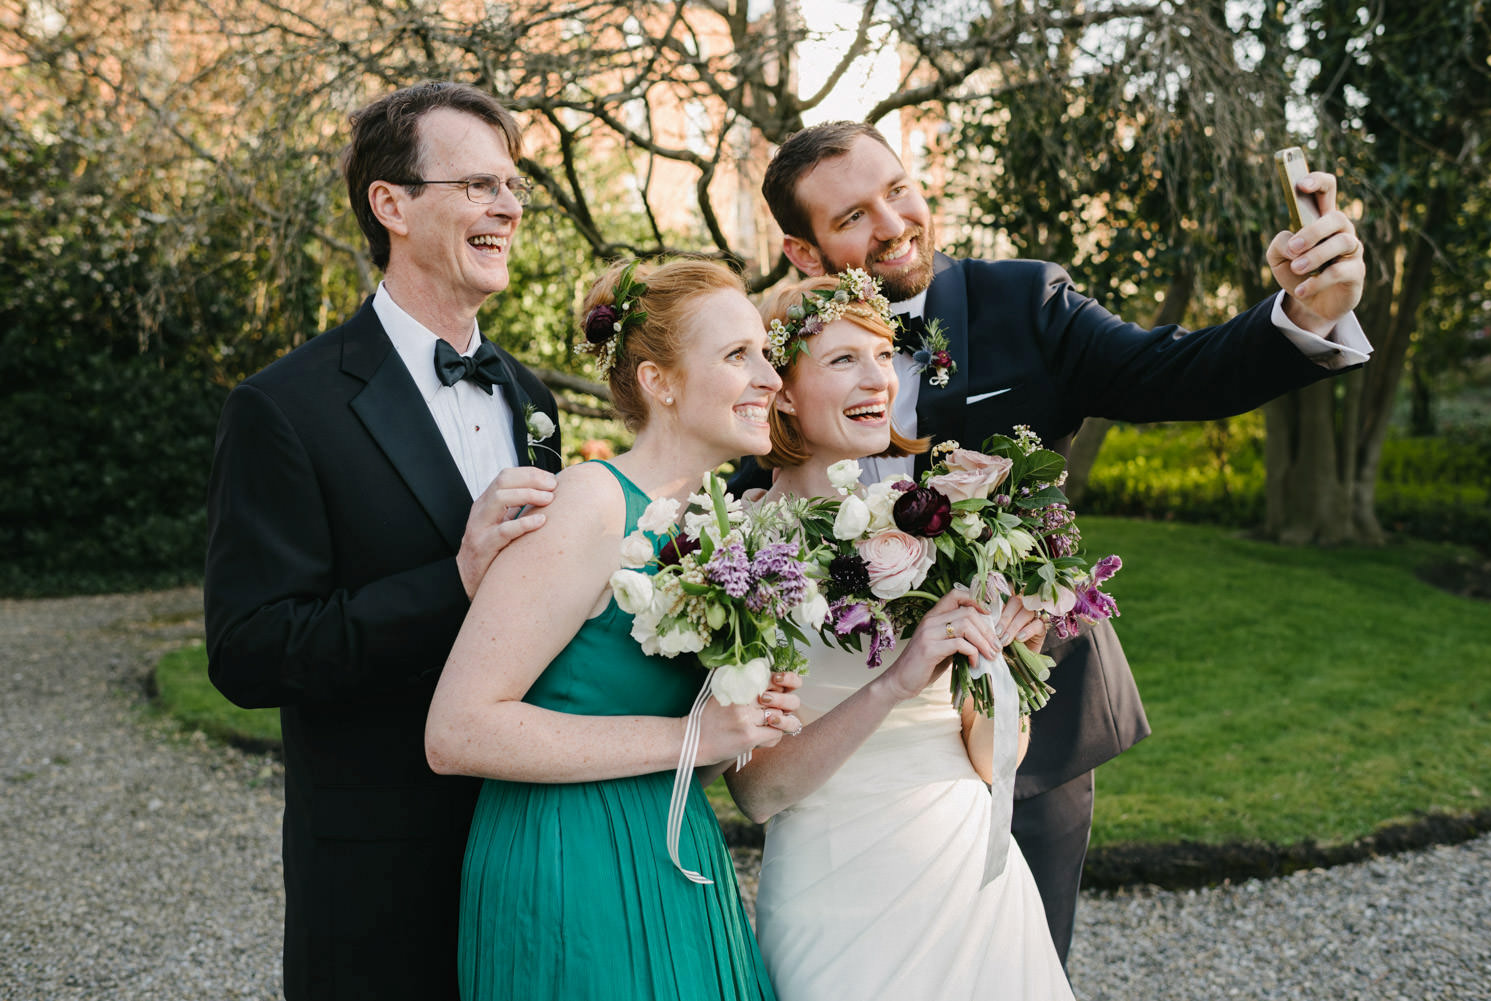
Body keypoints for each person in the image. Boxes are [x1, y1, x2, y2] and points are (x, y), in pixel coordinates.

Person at [752, 120, 1373, 965]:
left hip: (1023, 712)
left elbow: (1173, 373)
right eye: (853, 216)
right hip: (850, 757)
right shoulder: (773, 357)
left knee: (1020, 961)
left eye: (898, 189)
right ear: (802, 250)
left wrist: (1302, 314)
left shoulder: (1024, 300)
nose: (894, 224)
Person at [203, 81, 562, 1001]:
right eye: (479, 185)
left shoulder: (532, 399)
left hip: (534, 851)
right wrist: (457, 577)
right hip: (379, 878)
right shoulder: (285, 407)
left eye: (513, 185)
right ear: (391, 204)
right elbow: (250, 652)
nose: (509, 206)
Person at [424, 257, 802, 1001]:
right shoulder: (590, 501)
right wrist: (696, 737)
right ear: (660, 382)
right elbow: (458, 730)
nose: (771, 377)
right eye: (737, 355)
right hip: (568, 854)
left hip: (675, 839)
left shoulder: (720, 525)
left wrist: (747, 711)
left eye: (766, 352)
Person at [726, 272, 1074, 1000]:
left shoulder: (932, 519)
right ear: (781, 388)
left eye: (885, 356)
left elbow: (990, 759)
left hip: (971, 873)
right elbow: (758, 792)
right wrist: (895, 680)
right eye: (844, 359)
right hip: (835, 892)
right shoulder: (738, 552)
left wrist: (1013, 660)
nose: (878, 379)